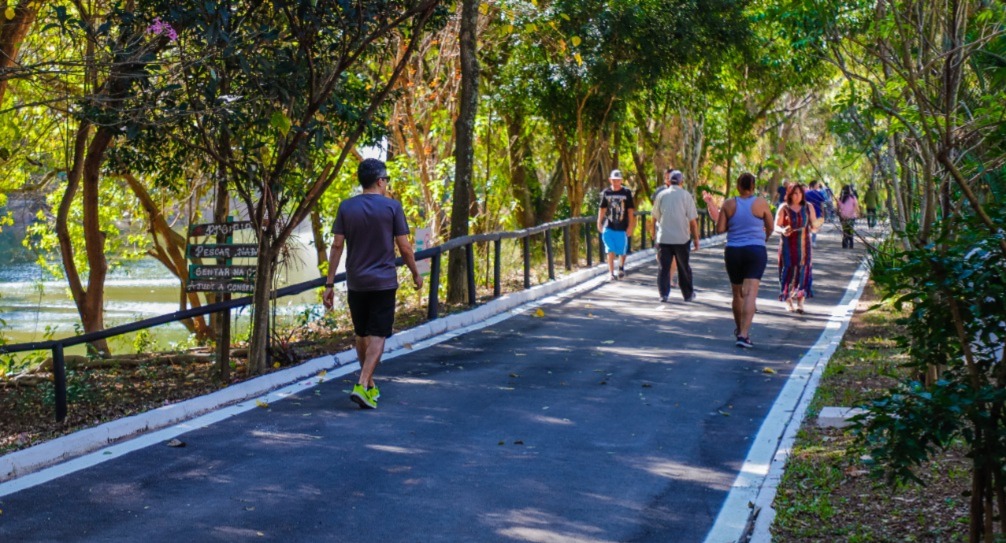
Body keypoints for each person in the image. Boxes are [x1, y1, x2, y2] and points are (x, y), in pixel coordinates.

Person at [322, 158, 423, 410]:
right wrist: (415, 273)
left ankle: (368, 386)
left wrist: (329, 284)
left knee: (361, 334)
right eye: (386, 180)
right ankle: (361, 384)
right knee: (378, 334)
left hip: (356, 282)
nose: (386, 184)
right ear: (380, 181)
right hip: (383, 282)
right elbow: (405, 247)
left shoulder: (346, 207)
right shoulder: (392, 207)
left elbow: (336, 245)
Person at [703, 172, 774, 348]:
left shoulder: (729, 203)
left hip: (734, 251)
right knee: (750, 293)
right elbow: (771, 226)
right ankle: (744, 334)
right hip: (755, 250)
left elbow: (720, 229)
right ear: (753, 186)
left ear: (738, 186)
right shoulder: (761, 203)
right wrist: (764, 238)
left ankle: (739, 330)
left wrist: (732, 222)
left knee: (737, 293)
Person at [652, 169, 699, 302]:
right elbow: (693, 222)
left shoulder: (661, 195)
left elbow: (655, 217)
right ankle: (687, 294)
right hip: (682, 239)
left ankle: (663, 294)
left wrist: (653, 233)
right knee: (683, 267)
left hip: (664, 238)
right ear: (681, 182)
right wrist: (696, 239)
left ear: (669, 181)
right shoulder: (686, 195)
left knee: (664, 268)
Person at [776, 183, 818, 314]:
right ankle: (788, 301)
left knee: (803, 273)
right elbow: (776, 226)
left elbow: (814, 225)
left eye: (800, 193)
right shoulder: (784, 208)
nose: (798, 196)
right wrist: (783, 230)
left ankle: (800, 303)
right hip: (788, 246)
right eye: (795, 193)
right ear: (789, 194)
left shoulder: (808, 207)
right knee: (787, 272)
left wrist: (815, 227)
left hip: (804, 246)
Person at [597, 169, 636, 280]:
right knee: (610, 249)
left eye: (618, 180)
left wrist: (630, 226)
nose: (616, 182)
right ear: (610, 180)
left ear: (621, 180)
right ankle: (611, 273)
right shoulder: (606, 193)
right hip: (608, 225)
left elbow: (630, 210)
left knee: (622, 250)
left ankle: (621, 267)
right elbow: (602, 208)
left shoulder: (626, 193)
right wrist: (599, 222)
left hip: (622, 227)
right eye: (614, 180)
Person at [650, 168, 678, 287]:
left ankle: (669, 279)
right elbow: (654, 211)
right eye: (666, 177)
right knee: (660, 254)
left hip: (676, 228)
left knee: (675, 256)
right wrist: (652, 228)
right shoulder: (659, 192)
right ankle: (665, 272)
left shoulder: (680, 191)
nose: (668, 179)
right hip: (661, 227)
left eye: (670, 177)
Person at [804, 180, 827, 248]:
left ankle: (807, 241)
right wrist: (823, 212)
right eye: (817, 184)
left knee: (807, 226)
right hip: (817, 211)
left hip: (807, 211)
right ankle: (813, 241)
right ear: (814, 185)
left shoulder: (806, 193)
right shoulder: (819, 194)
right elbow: (822, 204)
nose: (818, 185)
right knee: (815, 227)